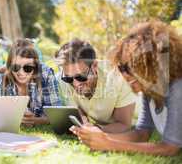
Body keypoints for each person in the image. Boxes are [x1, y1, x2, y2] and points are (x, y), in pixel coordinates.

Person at [70, 21, 182, 156]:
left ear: (152, 64)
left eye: (127, 67)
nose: (123, 74)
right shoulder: (150, 91)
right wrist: (100, 138)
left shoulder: (177, 87)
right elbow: (142, 133)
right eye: (121, 66)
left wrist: (110, 144)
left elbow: (170, 148)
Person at [56, 39, 136, 133]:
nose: (76, 84)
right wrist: (83, 122)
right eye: (68, 79)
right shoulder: (63, 78)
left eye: (81, 76)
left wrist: (96, 130)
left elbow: (124, 125)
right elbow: (78, 113)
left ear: (94, 65)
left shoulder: (118, 77)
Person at [0, 38, 62, 126]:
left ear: (35, 67)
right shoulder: (2, 74)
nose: (21, 73)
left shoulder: (45, 73)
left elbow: (56, 114)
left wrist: (36, 120)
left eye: (28, 68)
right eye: (15, 67)